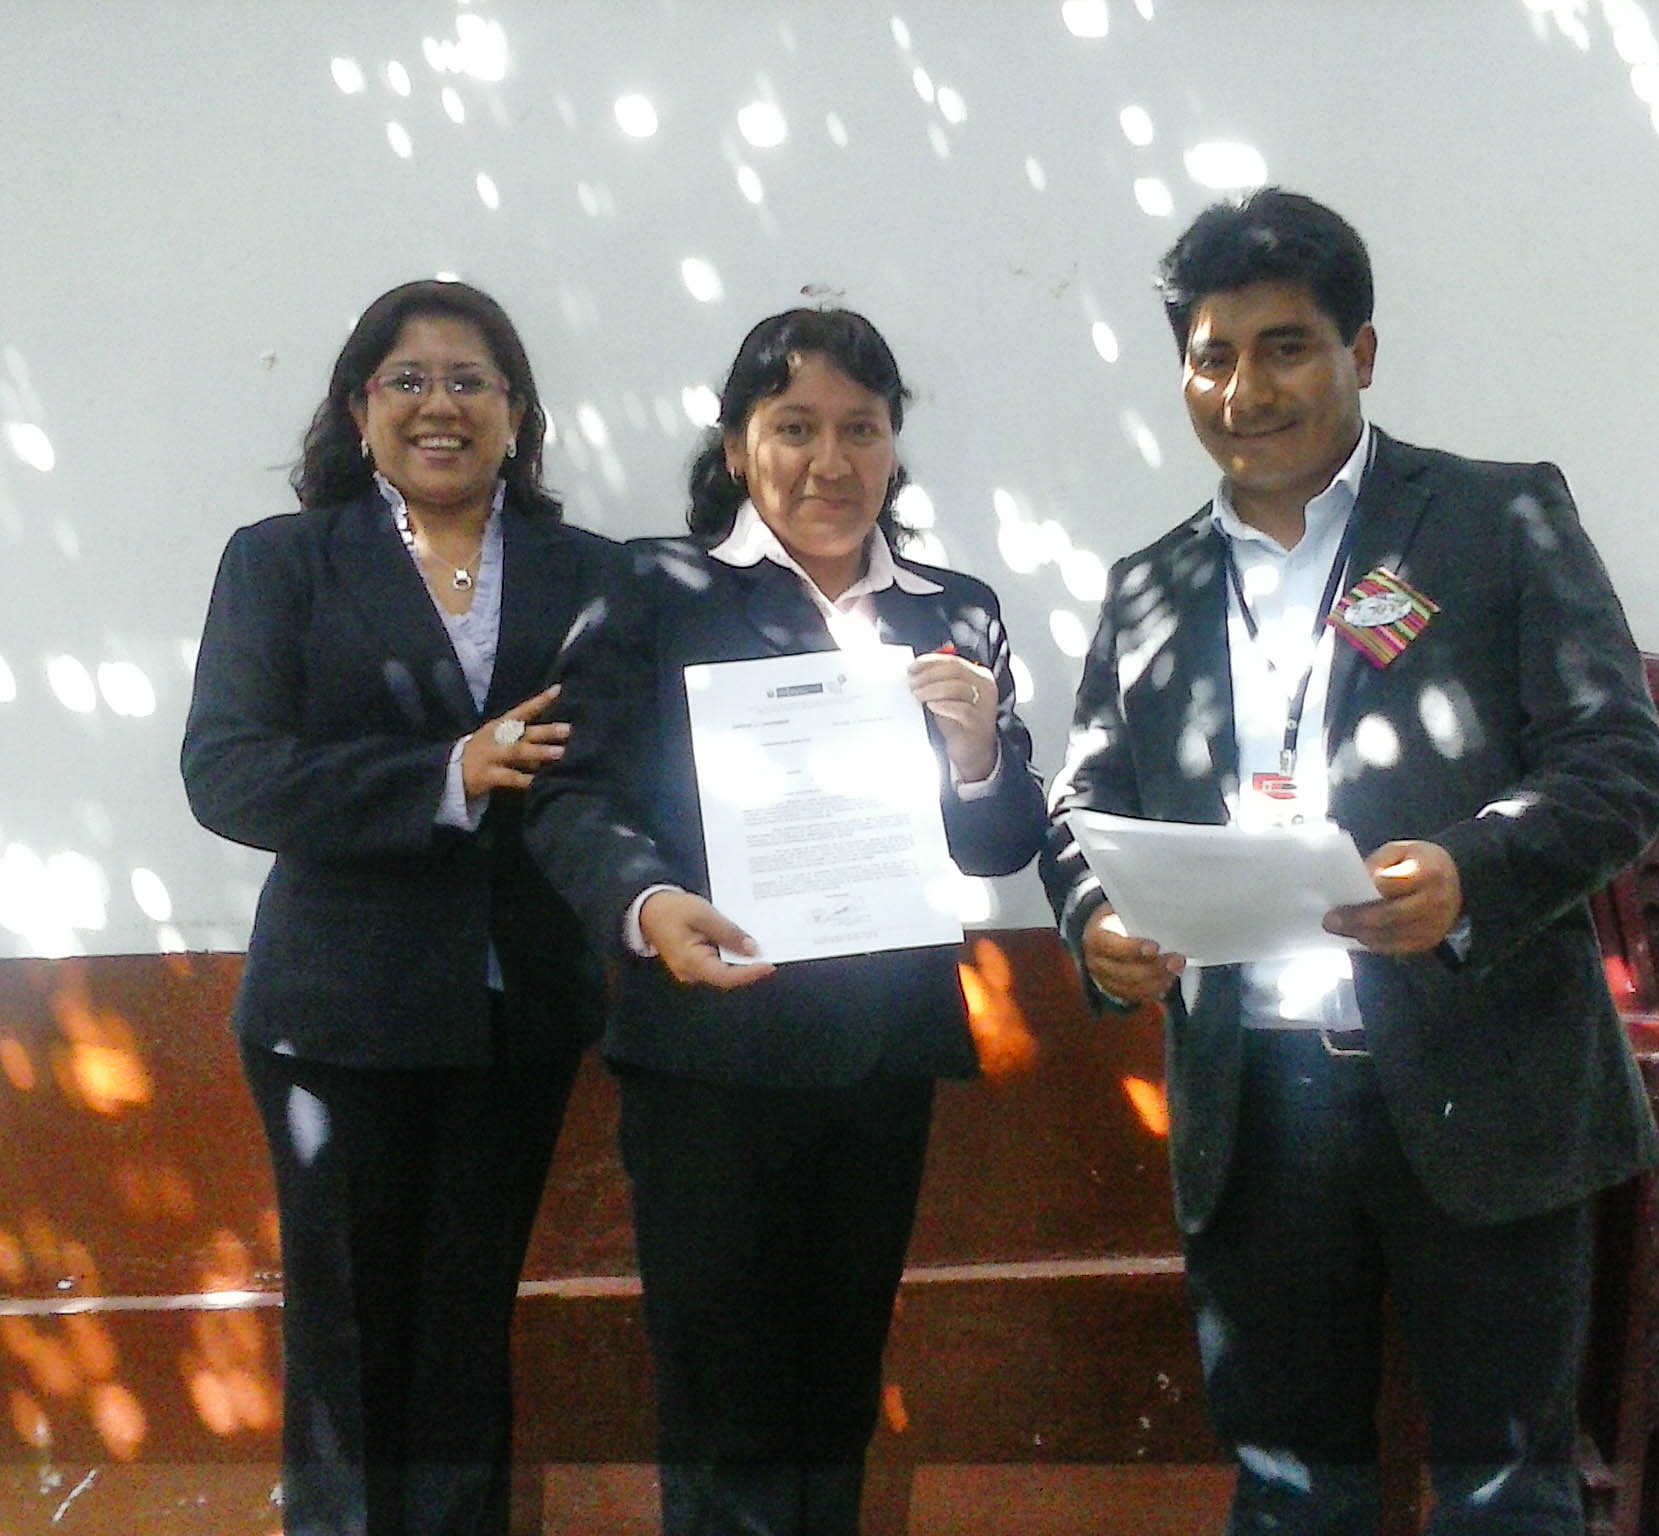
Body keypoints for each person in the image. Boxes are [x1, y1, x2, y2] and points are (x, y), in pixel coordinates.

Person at [1041, 190, 1659, 1534]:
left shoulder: (1493, 520)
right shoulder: (1146, 587)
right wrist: (1093, 917)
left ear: (1361, 352)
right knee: (1288, 1486)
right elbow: (1082, 798)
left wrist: (1469, 873)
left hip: (1482, 1080)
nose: (1245, 390)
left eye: (1285, 347)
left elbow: (1617, 762)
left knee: (1506, 1488)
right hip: (1254, 1106)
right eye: (1212, 356)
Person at [525, 306, 1047, 1536]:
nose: (831, 461)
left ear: (894, 445)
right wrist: (646, 903)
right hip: (710, 1056)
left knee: (837, 1383)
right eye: (795, 427)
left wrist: (978, 749)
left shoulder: (952, 610)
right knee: (725, 1396)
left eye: (861, 429)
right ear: (736, 447)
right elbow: (570, 795)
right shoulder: (656, 587)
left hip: (880, 1060)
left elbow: (998, 842)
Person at [181, 279, 613, 1536]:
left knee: (467, 1327)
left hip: (516, 1009)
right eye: (408, 380)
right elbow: (227, 771)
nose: (441, 405)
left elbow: (614, 764)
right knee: (350, 1331)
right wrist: (444, 775)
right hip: (335, 1016)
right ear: (359, 407)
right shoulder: (282, 561)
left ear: (516, 413)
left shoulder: (589, 573)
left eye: (471, 380)